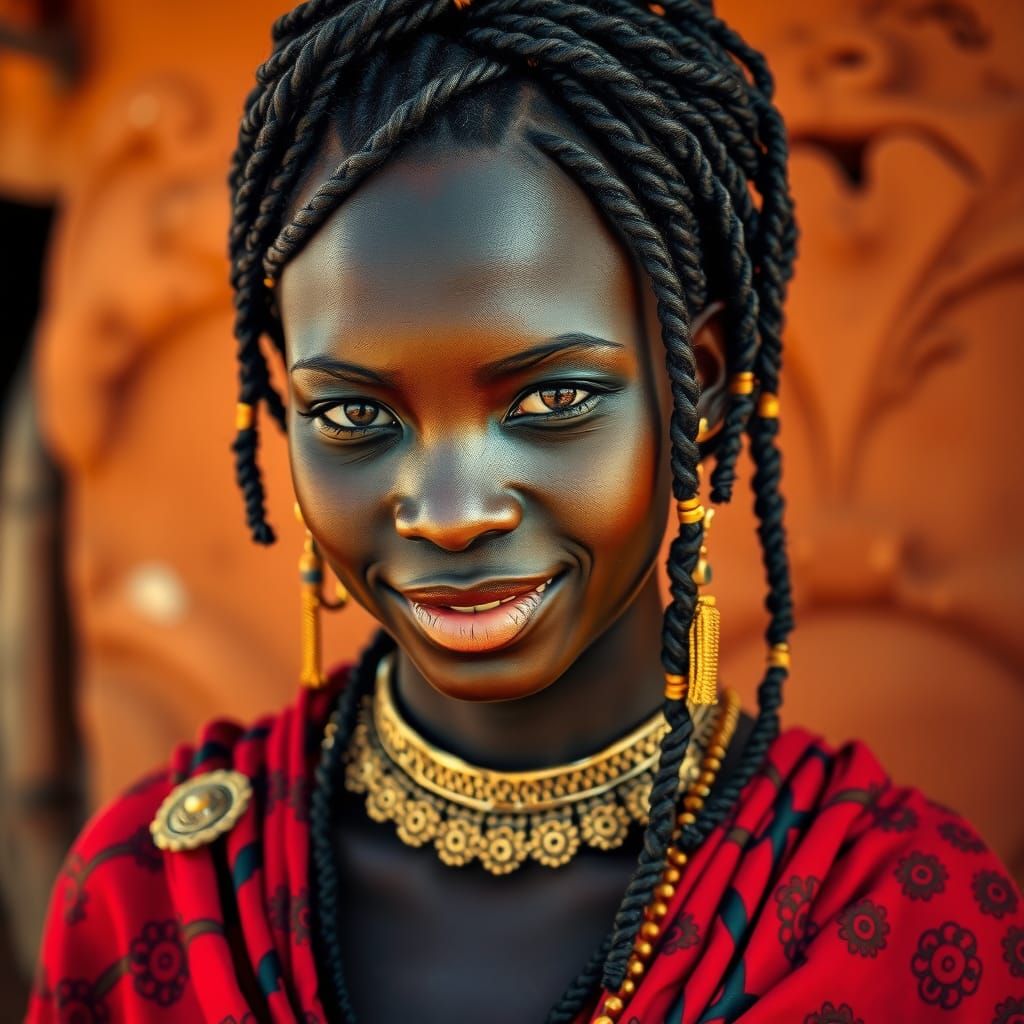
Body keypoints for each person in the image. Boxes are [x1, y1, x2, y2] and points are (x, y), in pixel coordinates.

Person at [25, 1, 1024, 1022]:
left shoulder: (897, 916)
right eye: (355, 413)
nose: (450, 513)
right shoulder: (152, 897)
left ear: (703, 381)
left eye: (549, 400)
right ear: (285, 412)